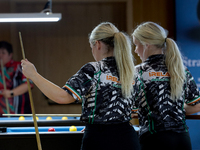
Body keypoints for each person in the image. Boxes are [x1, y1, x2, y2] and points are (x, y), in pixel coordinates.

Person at [21, 22, 141, 150]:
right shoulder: (131, 72)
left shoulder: (93, 69)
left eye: (91, 47)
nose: (92, 52)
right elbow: (134, 111)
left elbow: (63, 97)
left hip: (98, 141)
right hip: (128, 140)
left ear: (98, 44)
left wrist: (34, 75)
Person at [131, 21, 200, 150]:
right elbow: (197, 105)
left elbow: (129, 108)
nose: (135, 50)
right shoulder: (180, 69)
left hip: (153, 139)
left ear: (147, 44)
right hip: (182, 139)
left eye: (136, 45)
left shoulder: (138, 72)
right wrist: (174, 109)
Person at [0, 41, 32, 116]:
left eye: (3, 53)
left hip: (20, 113)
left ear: (10, 55)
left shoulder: (19, 67)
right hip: (2, 115)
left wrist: (11, 93)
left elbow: (29, 84)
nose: (0, 55)